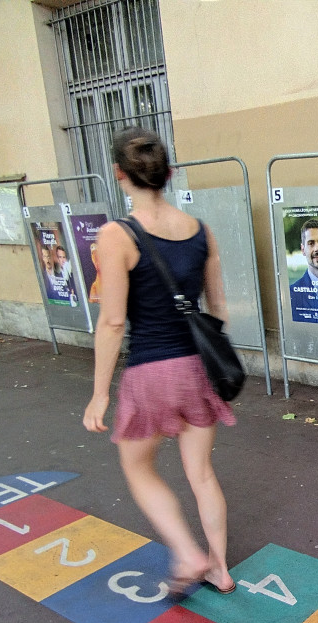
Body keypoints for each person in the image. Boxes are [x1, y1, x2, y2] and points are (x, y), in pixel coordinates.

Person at [83, 127, 237, 596]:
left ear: (119, 174)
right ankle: (220, 569)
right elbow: (219, 311)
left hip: (149, 371)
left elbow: (111, 323)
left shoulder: (116, 235)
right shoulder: (201, 232)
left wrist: (99, 393)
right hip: (196, 369)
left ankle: (188, 553)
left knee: (139, 468)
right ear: (169, 174)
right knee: (202, 473)